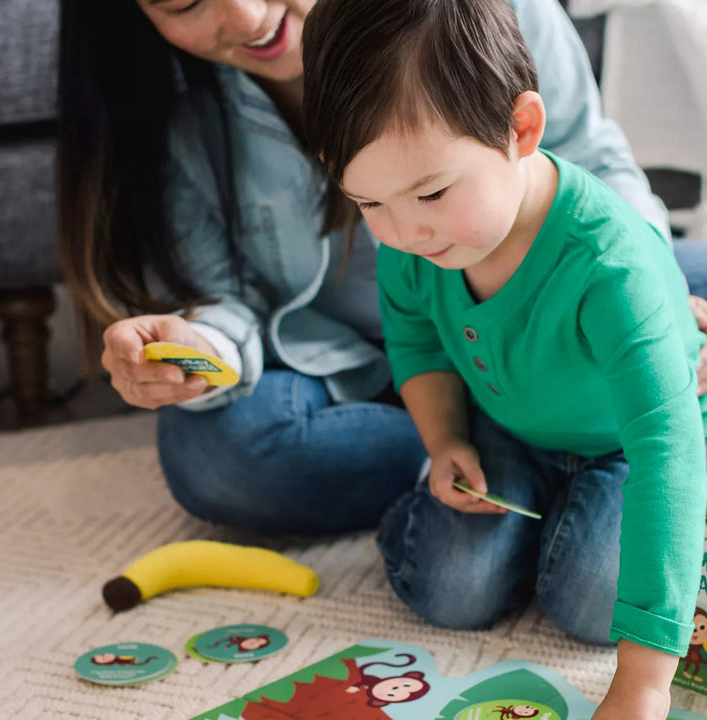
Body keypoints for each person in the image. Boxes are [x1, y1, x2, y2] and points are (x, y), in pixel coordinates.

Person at [58, 0, 707, 536]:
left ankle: (540, 454)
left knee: (685, 279)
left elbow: (592, 160)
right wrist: (200, 346)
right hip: (343, 369)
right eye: (185, 3)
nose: (251, 18)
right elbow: (227, 301)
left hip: (538, 324)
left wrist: (654, 292)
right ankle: (499, 452)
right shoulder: (175, 114)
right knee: (213, 456)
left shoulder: (472, 19)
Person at [300, 0, 707, 718]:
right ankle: (535, 519)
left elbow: (667, 453)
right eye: (368, 202)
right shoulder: (412, 236)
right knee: (452, 590)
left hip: (626, 448)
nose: (404, 231)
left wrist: (642, 686)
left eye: (430, 192)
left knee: (591, 601)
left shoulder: (612, 267)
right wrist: (443, 439)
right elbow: (417, 340)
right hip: (508, 432)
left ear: (521, 129)